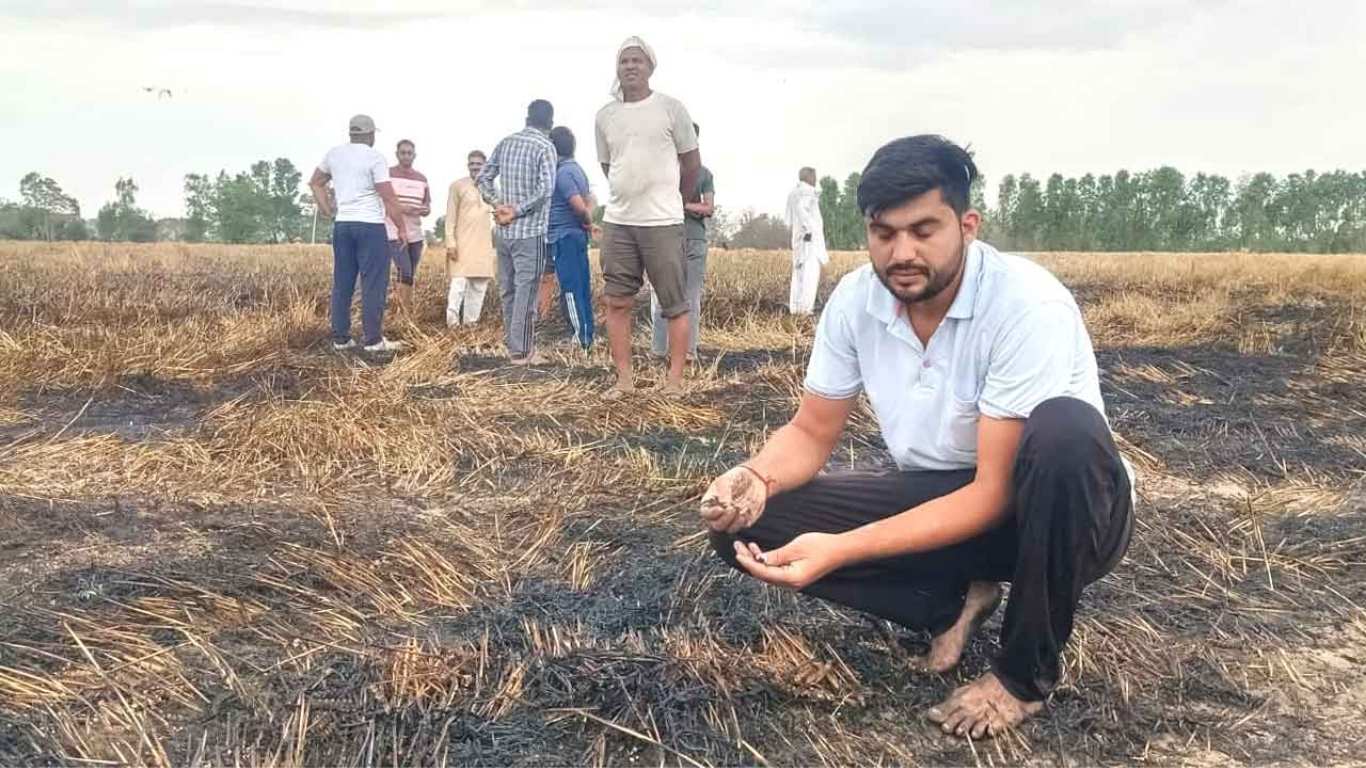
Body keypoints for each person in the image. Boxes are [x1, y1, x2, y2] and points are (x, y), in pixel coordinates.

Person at [700, 135, 1136, 740]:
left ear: (968, 225)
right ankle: (948, 604)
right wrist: (755, 478)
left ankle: (1022, 675)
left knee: (1068, 430)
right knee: (745, 527)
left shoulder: (1025, 305)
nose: (901, 252)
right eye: (884, 233)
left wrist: (844, 547)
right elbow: (810, 430)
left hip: (1062, 514)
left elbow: (993, 493)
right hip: (940, 500)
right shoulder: (856, 302)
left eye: (923, 230)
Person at [595, 36, 700, 397]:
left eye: (637, 60)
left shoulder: (671, 109)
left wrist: (677, 201)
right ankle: (624, 380)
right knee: (617, 301)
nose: (630, 66)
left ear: (650, 67)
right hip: (619, 221)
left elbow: (691, 163)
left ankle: (673, 382)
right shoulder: (605, 116)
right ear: (617, 68)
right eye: (624, 61)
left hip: (664, 222)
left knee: (673, 303)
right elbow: (608, 164)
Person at [308, 114, 410, 353]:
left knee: (342, 282)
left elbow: (315, 182)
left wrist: (327, 210)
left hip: (343, 225)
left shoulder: (334, 154)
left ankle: (341, 338)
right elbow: (387, 195)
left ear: (352, 133)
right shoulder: (375, 157)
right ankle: (373, 340)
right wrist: (401, 227)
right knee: (373, 282)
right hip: (370, 226)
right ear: (370, 134)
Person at [477, 100, 558, 365]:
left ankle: (515, 346)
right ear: (550, 123)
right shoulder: (546, 147)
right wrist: (518, 210)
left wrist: (498, 204)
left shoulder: (506, 142)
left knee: (508, 289)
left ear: (527, 118)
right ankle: (523, 352)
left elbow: (483, 178)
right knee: (526, 290)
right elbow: (546, 189)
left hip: (503, 232)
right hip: (529, 231)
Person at [651, 122, 714, 360]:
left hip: (665, 239)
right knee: (690, 298)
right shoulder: (703, 174)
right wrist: (690, 206)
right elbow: (708, 208)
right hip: (693, 240)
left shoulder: (661, 172)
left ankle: (659, 350)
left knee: (663, 297)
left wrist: (678, 204)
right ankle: (687, 351)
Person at [547, 126, 596, 350]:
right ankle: (587, 333)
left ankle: (580, 338)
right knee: (582, 286)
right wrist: (587, 220)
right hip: (576, 236)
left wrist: (586, 218)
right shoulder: (577, 170)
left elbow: (578, 204)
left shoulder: (562, 174)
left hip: (564, 236)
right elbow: (590, 198)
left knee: (570, 287)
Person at [444, 150, 496, 327]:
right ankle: (452, 324)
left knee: (479, 284)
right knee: (458, 283)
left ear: (485, 166)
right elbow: (450, 217)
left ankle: (470, 325)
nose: (475, 167)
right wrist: (450, 242)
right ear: (468, 166)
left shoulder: (492, 188)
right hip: (462, 242)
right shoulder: (457, 186)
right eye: (472, 164)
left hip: (483, 243)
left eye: (478, 164)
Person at [386, 139, 431, 315]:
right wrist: (406, 208)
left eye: (409, 153)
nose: (406, 156)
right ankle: (400, 311)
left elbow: (427, 206)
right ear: (397, 154)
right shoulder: (388, 174)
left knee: (409, 274)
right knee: (403, 269)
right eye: (403, 152)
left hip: (415, 233)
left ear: (414, 155)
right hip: (393, 231)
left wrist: (424, 210)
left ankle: (405, 311)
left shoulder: (421, 179)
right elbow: (386, 202)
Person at [785, 166, 828, 315]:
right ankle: (805, 309)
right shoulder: (808, 192)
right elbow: (802, 210)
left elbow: (789, 219)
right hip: (810, 240)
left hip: (798, 239)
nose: (815, 180)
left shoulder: (793, 193)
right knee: (810, 273)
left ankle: (795, 308)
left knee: (798, 274)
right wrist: (809, 230)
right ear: (808, 177)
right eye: (814, 177)